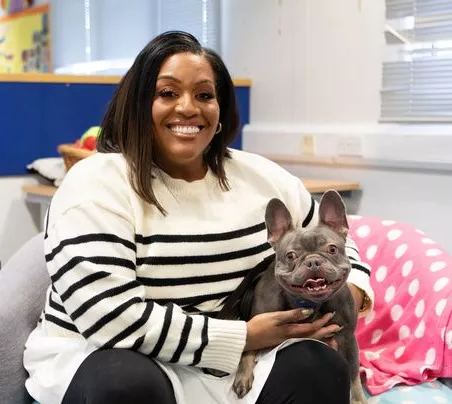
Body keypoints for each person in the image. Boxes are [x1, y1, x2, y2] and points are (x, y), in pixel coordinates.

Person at [23, 31, 374, 404]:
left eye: (204, 95)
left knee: (321, 367)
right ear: (139, 104)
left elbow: (341, 245)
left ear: (221, 110)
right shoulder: (95, 183)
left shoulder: (263, 177)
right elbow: (109, 318)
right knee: (122, 382)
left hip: (239, 364)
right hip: (117, 356)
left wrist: (339, 299)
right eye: (168, 93)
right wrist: (244, 337)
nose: (188, 108)